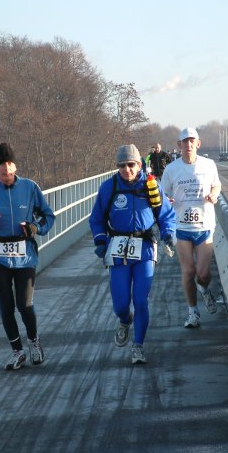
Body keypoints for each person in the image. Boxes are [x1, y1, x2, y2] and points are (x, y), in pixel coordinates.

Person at [0, 142, 55, 370]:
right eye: (2, 173)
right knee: (6, 306)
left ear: (15, 166)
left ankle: (34, 342)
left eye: (10, 170)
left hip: (25, 254)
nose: (7, 176)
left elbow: (48, 216)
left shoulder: (30, 188)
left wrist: (34, 228)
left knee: (24, 304)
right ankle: (17, 351)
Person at [89, 144, 176, 364]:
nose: (127, 169)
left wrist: (168, 233)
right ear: (117, 167)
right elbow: (97, 218)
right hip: (118, 247)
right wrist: (100, 240)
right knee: (120, 304)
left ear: (139, 164)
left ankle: (138, 346)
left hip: (145, 247)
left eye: (131, 165)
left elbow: (165, 214)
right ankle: (125, 320)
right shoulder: (108, 188)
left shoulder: (151, 185)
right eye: (122, 166)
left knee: (141, 300)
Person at [161, 128, 221, 329]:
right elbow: (162, 194)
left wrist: (214, 195)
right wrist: (167, 200)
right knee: (188, 271)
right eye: (184, 142)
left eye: (191, 141)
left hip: (204, 225)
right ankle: (192, 313)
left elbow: (217, 186)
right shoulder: (171, 169)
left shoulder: (208, 165)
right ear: (179, 145)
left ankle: (204, 290)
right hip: (181, 226)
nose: (188, 145)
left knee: (203, 273)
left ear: (198, 144)